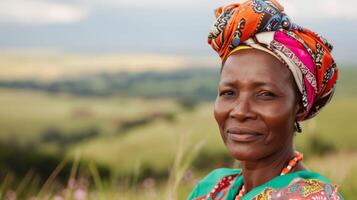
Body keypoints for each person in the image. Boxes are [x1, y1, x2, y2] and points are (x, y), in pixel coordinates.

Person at [188, 0, 344, 199]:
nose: (240, 111)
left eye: (265, 94)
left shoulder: (312, 196)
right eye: (229, 93)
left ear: (299, 106)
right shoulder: (213, 189)